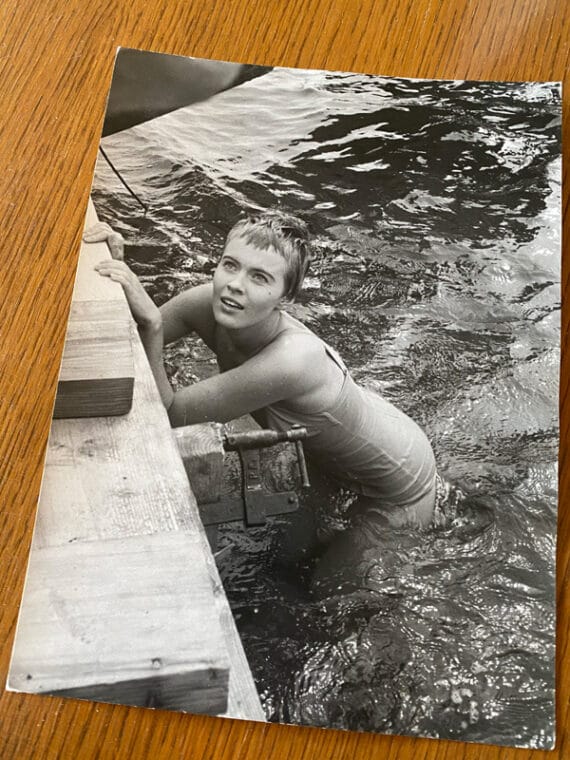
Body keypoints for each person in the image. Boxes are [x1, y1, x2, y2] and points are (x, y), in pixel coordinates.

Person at [85, 212, 437, 544]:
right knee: (290, 560)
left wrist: (153, 324)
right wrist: (119, 272)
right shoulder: (206, 302)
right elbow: (129, 343)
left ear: (285, 297)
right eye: (230, 265)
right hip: (339, 452)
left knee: (326, 592)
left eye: (260, 277)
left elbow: (170, 417)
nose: (235, 285)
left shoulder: (291, 361)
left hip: (401, 485)